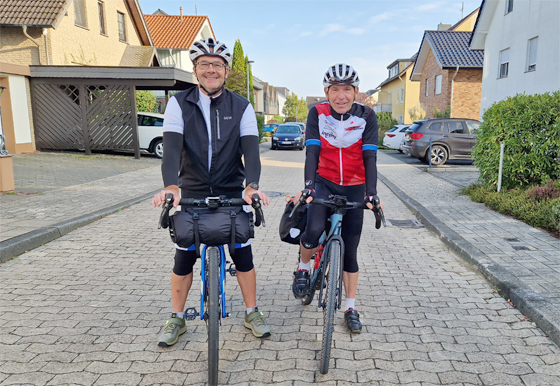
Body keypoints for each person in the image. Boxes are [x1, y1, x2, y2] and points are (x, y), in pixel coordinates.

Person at [152, 37, 271, 346]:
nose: (211, 70)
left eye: (217, 65)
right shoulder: (179, 104)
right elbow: (171, 151)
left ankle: (252, 311)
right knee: (183, 257)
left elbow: (251, 153)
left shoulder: (242, 107)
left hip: (231, 190)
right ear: (195, 70)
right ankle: (177, 318)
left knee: (242, 252)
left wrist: (252, 187)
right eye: (204, 64)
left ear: (226, 71)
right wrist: (171, 186)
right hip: (191, 190)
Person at [292, 63, 381, 333]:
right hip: (324, 182)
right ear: (326, 92)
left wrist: (372, 193)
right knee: (313, 229)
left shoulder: (367, 115)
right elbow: (312, 152)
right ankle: (303, 267)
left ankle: (350, 307)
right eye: (335, 90)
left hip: (355, 186)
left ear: (356, 92)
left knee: (351, 252)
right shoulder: (316, 113)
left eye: (346, 90)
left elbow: (370, 157)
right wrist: (309, 186)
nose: (341, 96)